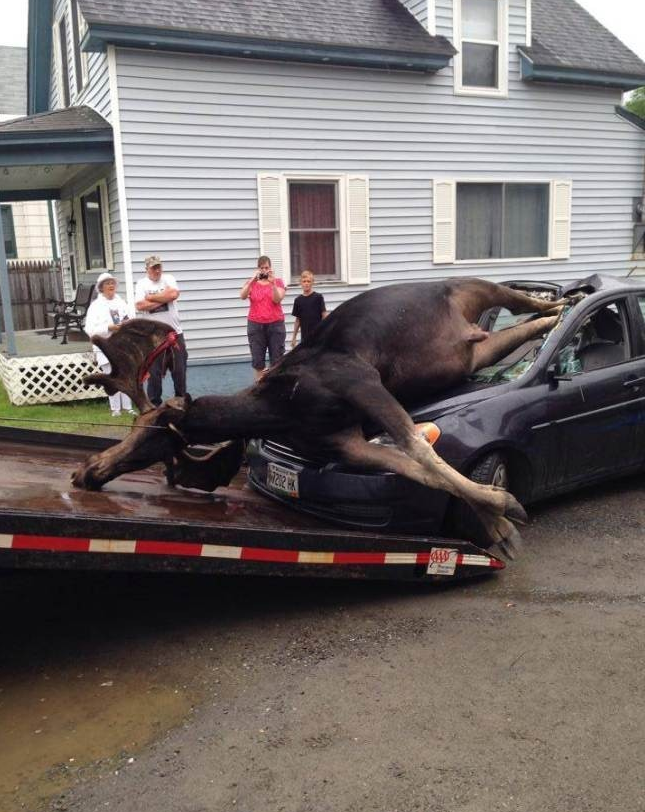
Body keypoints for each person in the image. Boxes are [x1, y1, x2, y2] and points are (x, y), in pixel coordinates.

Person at [134, 255, 188, 407]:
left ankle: (181, 401)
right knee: (154, 374)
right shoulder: (141, 283)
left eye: (159, 267)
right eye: (153, 268)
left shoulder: (168, 279)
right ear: (147, 269)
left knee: (179, 371)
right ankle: (154, 407)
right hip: (153, 338)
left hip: (174, 333)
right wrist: (163, 298)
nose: (157, 270)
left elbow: (174, 294)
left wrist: (150, 297)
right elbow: (140, 305)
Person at [84, 272, 136, 417]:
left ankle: (128, 407)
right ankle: (115, 409)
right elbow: (90, 330)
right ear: (101, 287)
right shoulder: (95, 306)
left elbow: (131, 319)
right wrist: (109, 327)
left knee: (125, 375)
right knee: (110, 376)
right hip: (105, 347)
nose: (111, 286)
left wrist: (126, 324)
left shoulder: (121, 302)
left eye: (112, 283)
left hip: (122, 346)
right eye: (107, 283)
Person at [239, 255, 286, 380]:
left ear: (270, 268)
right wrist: (253, 279)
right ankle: (258, 391)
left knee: (277, 360)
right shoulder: (252, 283)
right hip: (256, 325)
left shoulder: (278, 282)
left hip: (275, 325)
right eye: (262, 268)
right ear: (258, 269)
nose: (264, 270)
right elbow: (242, 296)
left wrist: (273, 283)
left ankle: (274, 390)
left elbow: (277, 299)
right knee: (258, 360)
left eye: (267, 268)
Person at [291, 269, 328, 347]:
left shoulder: (318, 297)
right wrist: (294, 337)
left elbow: (324, 315)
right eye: (304, 281)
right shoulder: (298, 300)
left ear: (312, 282)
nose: (306, 283)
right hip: (305, 338)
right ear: (301, 283)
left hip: (318, 336)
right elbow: (298, 320)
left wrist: (327, 332)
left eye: (308, 281)